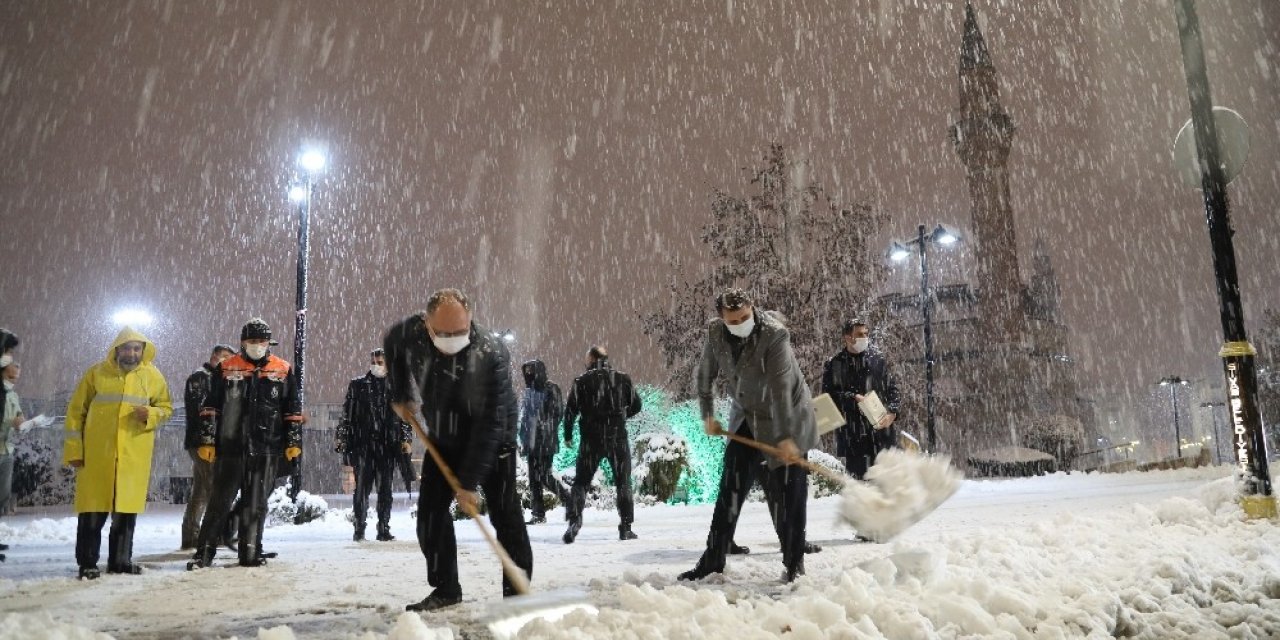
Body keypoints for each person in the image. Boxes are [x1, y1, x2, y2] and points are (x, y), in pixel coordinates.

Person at [384, 288, 532, 612]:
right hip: (444, 435)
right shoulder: (412, 335)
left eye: (461, 331)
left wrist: (468, 483)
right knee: (430, 515)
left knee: (506, 516)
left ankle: (518, 596)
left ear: (471, 321)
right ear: (427, 325)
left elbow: (490, 425)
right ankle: (446, 588)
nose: (453, 338)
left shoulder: (490, 353)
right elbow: (392, 342)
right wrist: (400, 392)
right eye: (445, 333)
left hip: (494, 438)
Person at [678, 288, 816, 583]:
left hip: (787, 414)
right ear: (722, 318)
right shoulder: (715, 333)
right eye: (733, 319)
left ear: (752, 308)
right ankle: (713, 559)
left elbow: (780, 388)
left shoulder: (774, 334)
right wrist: (708, 415)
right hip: (748, 414)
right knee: (731, 485)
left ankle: (794, 563)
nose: (740, 322)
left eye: (744, 316)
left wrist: (785, 438)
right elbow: (705, 376)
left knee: (788, 493)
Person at [188, 318, 303, 569]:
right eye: (252, 341)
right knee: (219, 502)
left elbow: (292, 408)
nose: (257, 346)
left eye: (261, 341)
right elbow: (210, 406)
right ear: (243, 342)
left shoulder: (282, 369)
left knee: (256, 505)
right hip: (231, 448)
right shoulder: (227, 367)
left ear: (268, 342)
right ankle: (203, 554)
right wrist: (207, 440)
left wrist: (293, 440)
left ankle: (250, 553)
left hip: (267, 449)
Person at [63, 327, 173, 579]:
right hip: (96, 456)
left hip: (133, 457)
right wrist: (74, 450)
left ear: (143, 351)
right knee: (92, 512)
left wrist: (152, 414)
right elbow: (75, 413)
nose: (131, 353)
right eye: (127, 348)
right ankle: (88, 563)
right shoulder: (96, 373)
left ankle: (121, 561)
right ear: (117, 349)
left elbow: (166, 408)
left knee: (125, 513)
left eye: (136, 348)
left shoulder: (153, 376)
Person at [561, 346, 642, 543]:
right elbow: (636, 405)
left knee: (581, 482)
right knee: (623, 482)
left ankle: (574, 521)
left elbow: (570, 411)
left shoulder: (581, 381)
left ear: (592, 360)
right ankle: (626, 526)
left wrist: (568, 434)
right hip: (617, 438)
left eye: (586, 359)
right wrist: (620, 417)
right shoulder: (622, 378)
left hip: (591, 438)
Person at [336, 348, 412, 542]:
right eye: (374, 362)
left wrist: (405, 440)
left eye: (380, 362)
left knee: (385, 490)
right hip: (364, 445)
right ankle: (359, 528)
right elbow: (347, 414)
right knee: (362, 489)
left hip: (388, 446)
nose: (376, 366)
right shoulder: (358, 385)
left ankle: (383, 527)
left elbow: (406, 418)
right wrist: (343, 438)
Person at [821, 319, 900, 481]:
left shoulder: (877, 359)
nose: (865, 337)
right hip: (853, 437)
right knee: (861, 487)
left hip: (882, 434)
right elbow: (829, 397)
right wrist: (853, 398)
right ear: (847, 337)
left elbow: (892, 388)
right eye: (859, 334)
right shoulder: (836, 364)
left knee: (889, 485)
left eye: (866, 333)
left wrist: (893, 411)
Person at [180, 344, 235, 550]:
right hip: (203, 442)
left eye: (230, 358)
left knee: (201, 491)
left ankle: (191, 536)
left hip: (206, 442)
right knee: (215, 489)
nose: (226, 361)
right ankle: (215, 535)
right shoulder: (202, 378)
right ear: (214, 356)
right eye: (223, 356)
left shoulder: (214, 377)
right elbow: (204, 411)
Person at [518, 359, 570, 525]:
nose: (528, 375)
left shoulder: (551, 388)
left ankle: (570, 501)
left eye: (531, 371)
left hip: (545, 440)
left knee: (544, 476)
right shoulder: (529, 391)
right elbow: (525, 416)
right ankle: (538, 513)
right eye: (526, 372)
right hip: (530, 441)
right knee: (534, 479)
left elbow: (558, 413)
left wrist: (542, 425)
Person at [0, 329, 21, 561]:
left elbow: (15, 412)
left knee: (2, 496)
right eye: (7, 350)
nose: (10, 357)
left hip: (6, 449)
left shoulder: (9, 393)